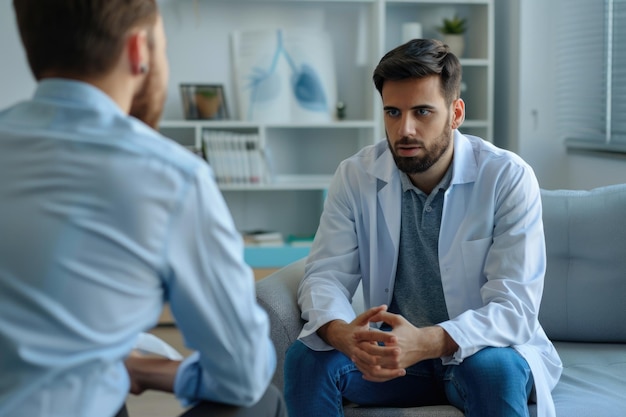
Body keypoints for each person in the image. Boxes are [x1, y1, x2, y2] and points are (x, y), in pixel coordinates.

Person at [0, 1, 286, 417]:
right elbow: (241, 374)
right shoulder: (171, 176)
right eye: (163, 47)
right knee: (261, 400)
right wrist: (157, 371)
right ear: (140, 51)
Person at [284, 38, 562, 417]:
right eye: (393, 113)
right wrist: (340, 333)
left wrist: (429, 341)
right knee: (306, 358)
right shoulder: (356, 175)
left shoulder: (507, 177)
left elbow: (514, 308)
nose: (405, 130)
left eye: (423, 112)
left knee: (494, 370)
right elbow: (325, 274)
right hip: (397, 361)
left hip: (479, 353)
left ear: (456, 113)